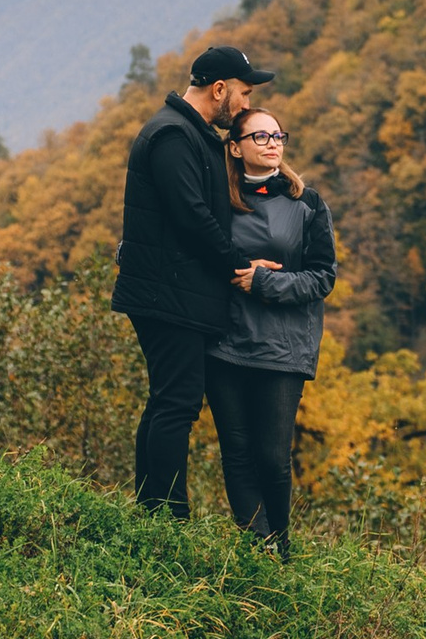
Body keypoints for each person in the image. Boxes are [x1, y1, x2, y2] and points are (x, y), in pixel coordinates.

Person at [111, 44, 271, 517]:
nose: (245, 104)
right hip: (166, 294)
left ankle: (153, 513)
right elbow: (192, 217)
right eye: (243, 93)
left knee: (168, 401)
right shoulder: (172, 135)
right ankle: (167, 518)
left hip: (173, 290)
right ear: (219, 89)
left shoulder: (189, 133)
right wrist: (240, 266)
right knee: (177, 404)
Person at [207, 106, 336, 557]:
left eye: (278, 135)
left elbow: (323, 277)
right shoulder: (216, 200)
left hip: (283, 347)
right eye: (260, 137)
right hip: (224, 343)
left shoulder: (307, 203)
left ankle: (281, 546)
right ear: (235, 148)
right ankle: (258, 548)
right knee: (237, 453)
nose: (273, 143)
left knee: (273, 457)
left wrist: (263, 282)